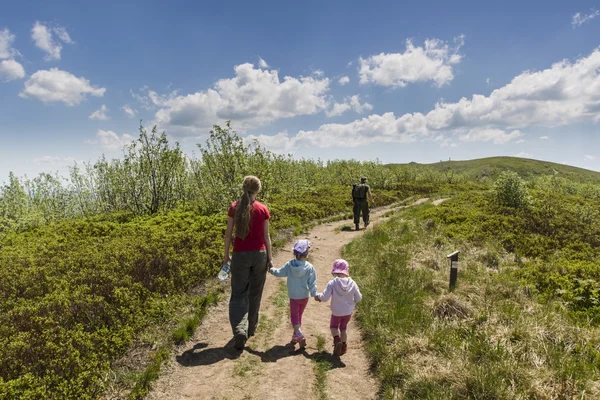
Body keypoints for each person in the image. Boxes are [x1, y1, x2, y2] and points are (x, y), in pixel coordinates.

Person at [223, 175, 273, 350]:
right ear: (258, 190)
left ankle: (239, 330)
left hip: (240, 255)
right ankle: (251, 328)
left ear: (244, 187)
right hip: (259, 254)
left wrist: (226, 256)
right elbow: (266, 236)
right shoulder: (263, 209)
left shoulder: (234, 207)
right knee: (255, 292)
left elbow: (228, 234)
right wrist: (270, 258)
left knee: (238, 294)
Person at [268, 239, 318, 348]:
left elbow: (279, 273)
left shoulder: (289, 265)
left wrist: (271, 269)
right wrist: (314, 294)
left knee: (294, 318)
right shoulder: (310, 267)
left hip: (294, 296)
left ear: (294, 253)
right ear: (307, 253)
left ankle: (300, 335)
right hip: (304, 296)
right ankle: (294, 338)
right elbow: (312, 283)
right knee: (299, 315)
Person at [315, 259, 362, 356]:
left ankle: (337, 341)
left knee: (333, 327)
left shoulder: (332, 283)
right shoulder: (353, 283)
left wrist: (318, 296)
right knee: (343, 328)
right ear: (346, 270)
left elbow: (324, 297)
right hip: (348, 312)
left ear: (335, 271)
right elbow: (358, 298)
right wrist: (351, 302)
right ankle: (344, 347)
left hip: (336, 312)